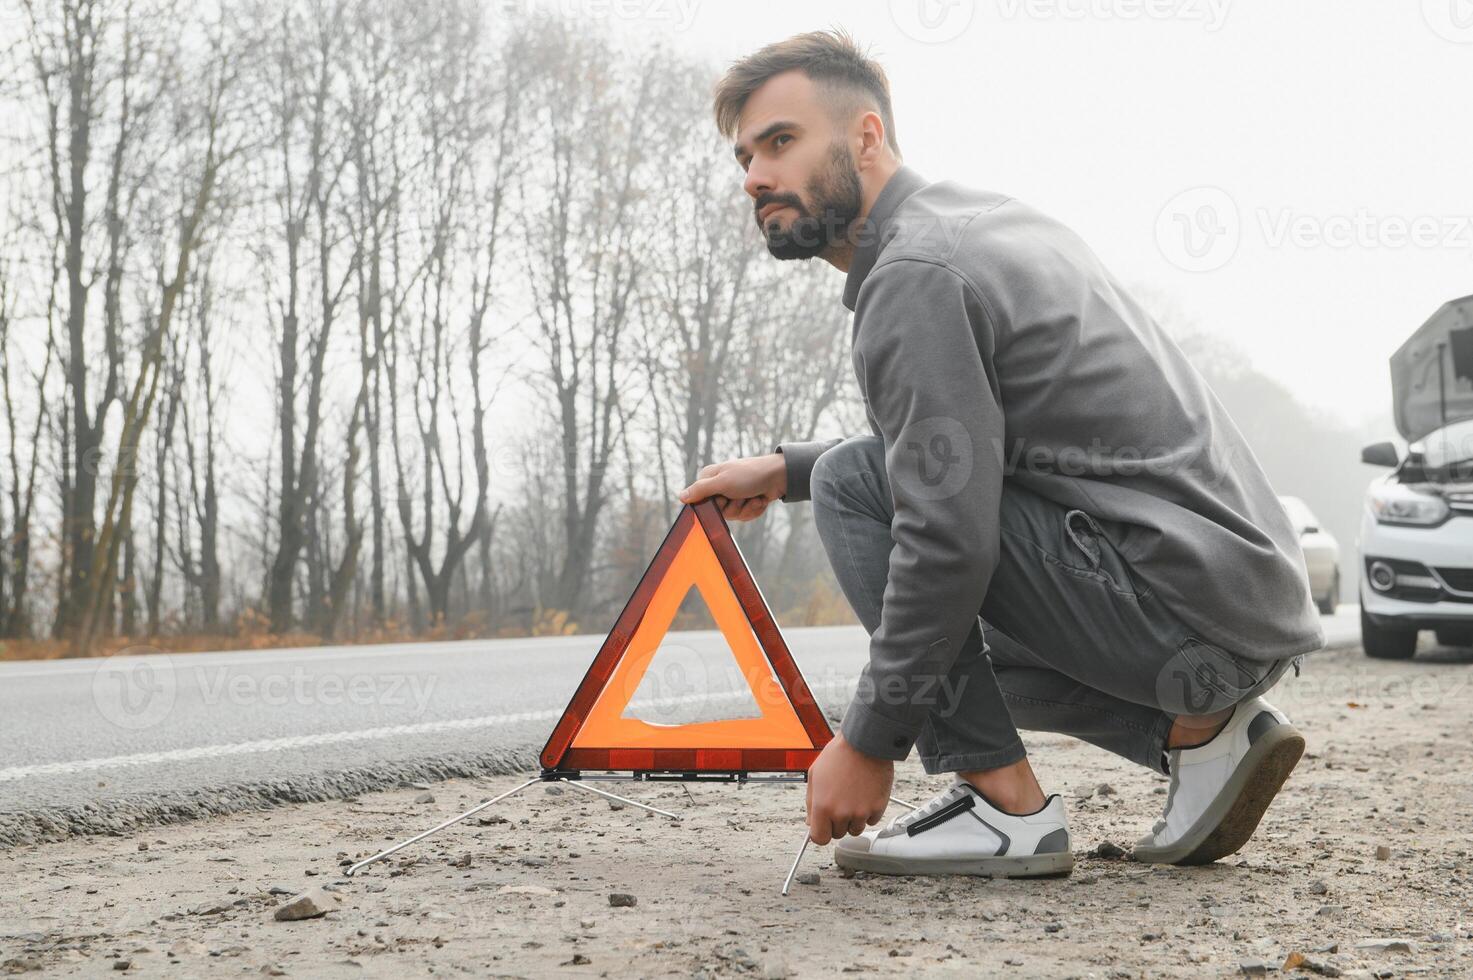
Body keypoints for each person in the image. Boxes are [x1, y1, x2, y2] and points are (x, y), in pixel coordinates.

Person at [678, 29, 1325, 877]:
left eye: (781, 142)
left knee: (863, 499)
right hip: (1229, 605)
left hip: (1181, 611)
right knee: (884, 541)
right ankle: (1195, 732)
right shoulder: (981, 222)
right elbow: (977, 444)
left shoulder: (914, 275)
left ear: (866, 137)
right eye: (744, 158)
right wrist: (786, 467)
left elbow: (947, 535)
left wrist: (868, 742)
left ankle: (1001, 806)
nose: (756, 176)